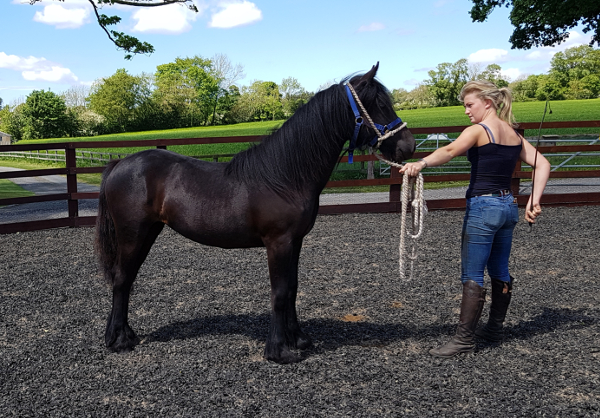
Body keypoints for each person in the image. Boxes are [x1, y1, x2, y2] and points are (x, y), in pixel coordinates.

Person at [399, 80, 551, 358]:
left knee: (472, 273)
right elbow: (543, 163)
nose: (467, 111)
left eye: (470, 105)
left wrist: (420, 163)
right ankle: (493, 329)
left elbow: (449, 150)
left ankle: (464, 339)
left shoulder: (479, 130)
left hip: (483, 207)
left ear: (488, 103)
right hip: (507, 207)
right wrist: (534, 200)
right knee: (500, 270)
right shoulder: (513, 134)